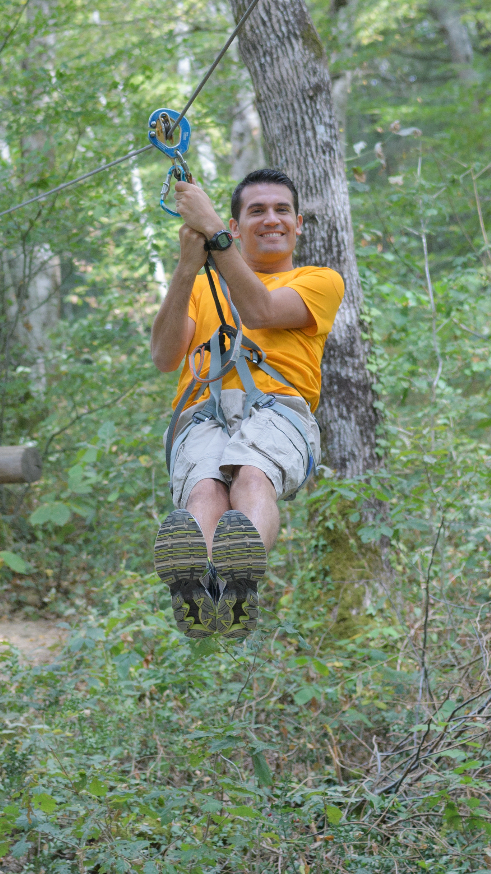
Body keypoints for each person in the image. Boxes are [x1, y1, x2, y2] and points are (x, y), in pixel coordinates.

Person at [147, 168, 344, 641]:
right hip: (202, 408)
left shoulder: (319, 280)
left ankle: (239, 583)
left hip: (278, 407)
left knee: (253, 474)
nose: (271, 219)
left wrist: (214, 235)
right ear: (237, 227)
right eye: (256, 210)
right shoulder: (198, 288)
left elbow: (260, 310)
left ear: (298, 224)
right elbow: (163, 356)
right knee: (204, 490)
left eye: (281, 210)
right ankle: (199, 588)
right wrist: (186, 269)